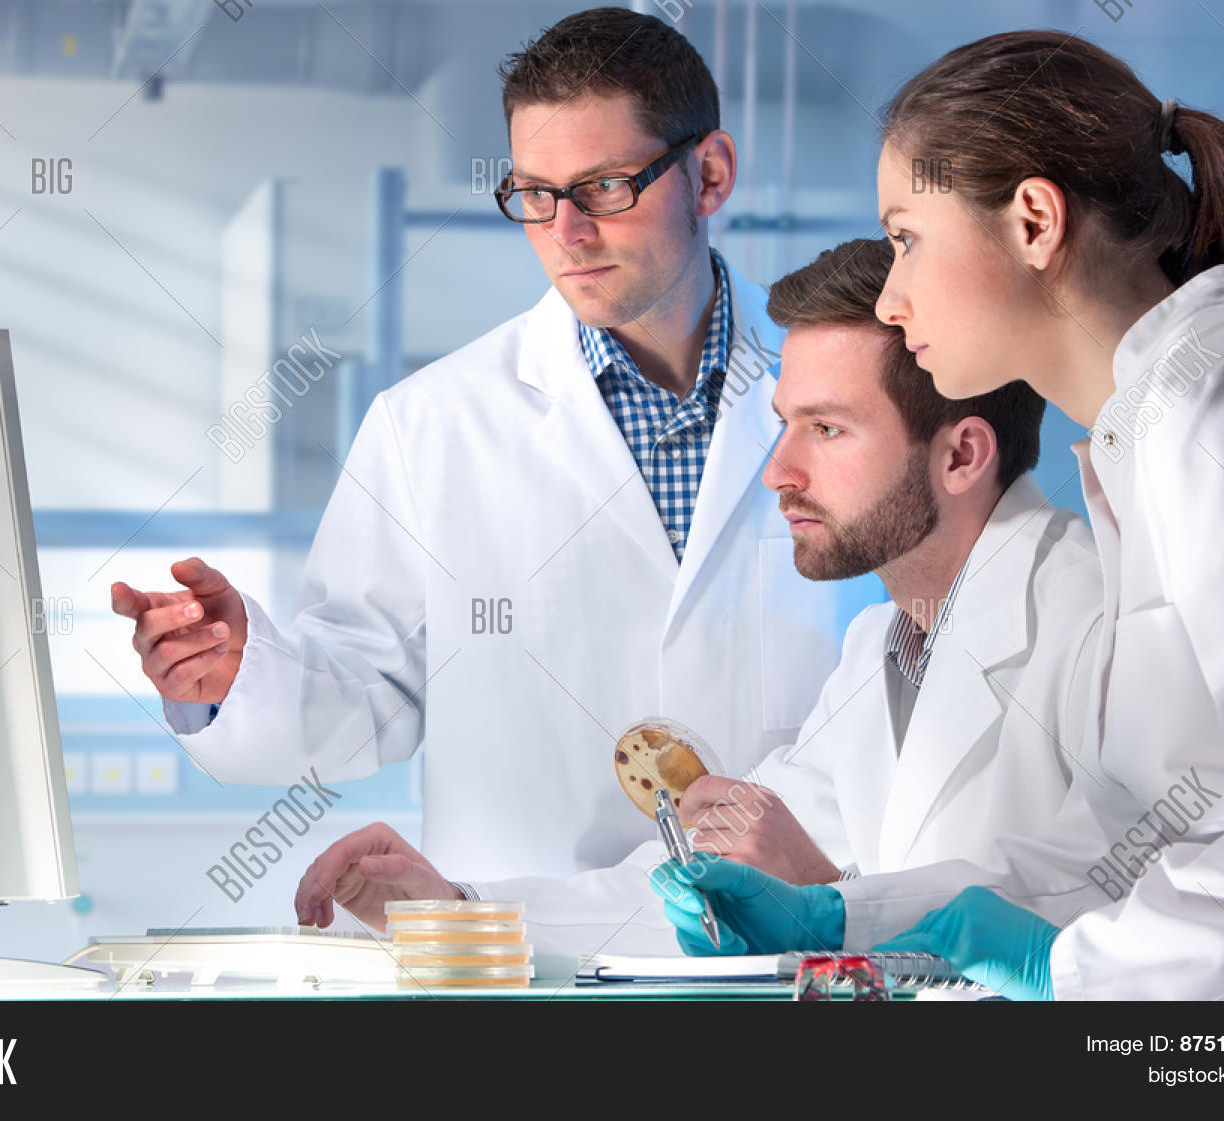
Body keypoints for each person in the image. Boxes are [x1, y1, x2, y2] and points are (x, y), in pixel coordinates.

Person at [657, 31, 1224, 1000]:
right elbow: (1126, 841)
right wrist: (852, 915)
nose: (892, 292)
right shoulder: (1147, 436)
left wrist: (1065, 967)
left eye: (906, 238)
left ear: (1034, 223)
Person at [108, 9, 836, 885]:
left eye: (605, 187)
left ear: (709, 173)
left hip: (806, 947)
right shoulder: (430, 427)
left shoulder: (849, 391)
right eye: (535, 194)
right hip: (530, 960)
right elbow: (369, 685)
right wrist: (237, 674)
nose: (566, 233)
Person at [293, 238, 1116, 958]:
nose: (777, 471)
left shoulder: (1097, 622)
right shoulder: (881, 650)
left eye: (826, 430)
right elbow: (685, 885)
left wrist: (830, 905)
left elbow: (1136, 930)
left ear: (963, 454)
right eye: (784, 422)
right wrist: (453, 911)